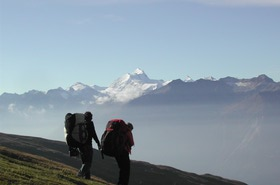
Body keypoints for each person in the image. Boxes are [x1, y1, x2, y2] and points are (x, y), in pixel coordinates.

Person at [77, 111, 101, 179]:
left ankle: (87, 177)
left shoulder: (80, 124)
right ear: (90, 118)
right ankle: (80, 174)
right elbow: (93, 133)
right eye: (91, 117)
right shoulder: (90, 123)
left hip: (80, 145)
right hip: (87, 145)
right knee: (88, 162)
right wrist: (98, 143)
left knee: (84, 161)